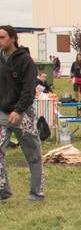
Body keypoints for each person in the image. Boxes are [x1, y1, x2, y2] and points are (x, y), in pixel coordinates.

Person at [0, 25, 45, 202]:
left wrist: (18, 110)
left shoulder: (25, 60)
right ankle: (3, 191)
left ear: (12, 38)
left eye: (2, 37)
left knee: (33, 154)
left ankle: (36, 193)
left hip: (23, 114)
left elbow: (29, 90)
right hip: (2, 114)